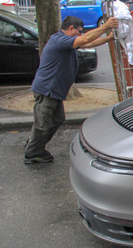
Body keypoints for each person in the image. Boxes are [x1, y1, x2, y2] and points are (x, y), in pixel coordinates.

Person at [24, 15, 119, 164]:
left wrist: (109, 38)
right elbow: (84, 40)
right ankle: (33, 153)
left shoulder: (67, 42)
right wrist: (105, 26)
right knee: (42, 124)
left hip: (55, 90)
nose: (80, 35)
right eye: (79, 31)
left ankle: (34, 142)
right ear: (70, 29)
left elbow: (89, 43)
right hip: (47, 89)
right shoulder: (59, 40)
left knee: (57, 119)